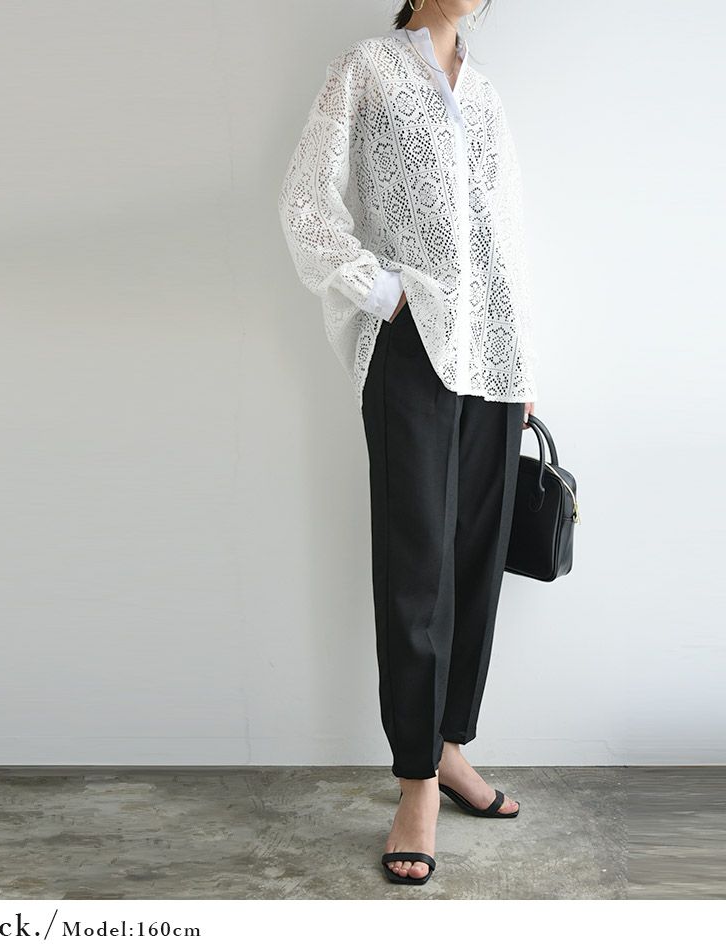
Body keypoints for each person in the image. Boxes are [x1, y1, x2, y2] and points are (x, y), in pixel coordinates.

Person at [277, 0, 538, 885]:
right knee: (416, 560)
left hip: (492, 355)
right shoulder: (368, 69)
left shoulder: (488, 94)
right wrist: (384, 294)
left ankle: (451, 746)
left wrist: (522, 357)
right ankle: (416, 781)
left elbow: (505, 234)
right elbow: (305, 201)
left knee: (476, 556)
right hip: (413, 343)